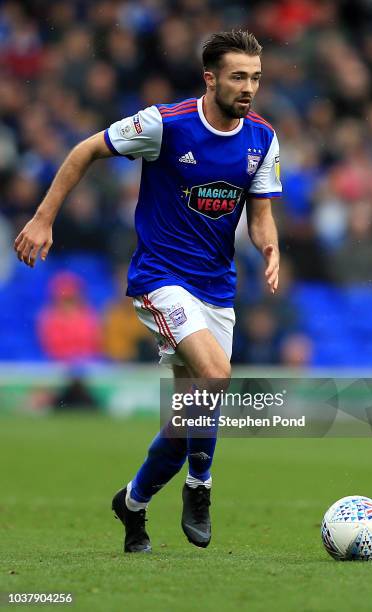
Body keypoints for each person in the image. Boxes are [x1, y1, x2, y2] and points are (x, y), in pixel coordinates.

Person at [14, 30, 282, 553]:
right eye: (237, 77)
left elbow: (262, 218)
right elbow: (85, 150)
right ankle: (200, 489)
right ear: (211, 78)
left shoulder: (263, 139)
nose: (248, 87)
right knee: (216, 374)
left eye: (255, 77)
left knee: (191, 418)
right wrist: (44, 218)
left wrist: (270, 248)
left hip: (216, 289)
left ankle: (132, 503)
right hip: (160, 280)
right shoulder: (166, 124)